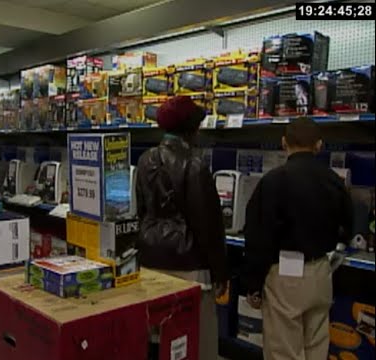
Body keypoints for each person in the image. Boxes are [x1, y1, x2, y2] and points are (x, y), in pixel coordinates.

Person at [243, 117, 353, 360]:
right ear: (319, 145)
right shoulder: (335, 180)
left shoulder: (273, 181)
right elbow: (349, 227)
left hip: (285, 275)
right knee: (316, 347)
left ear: (284, 143)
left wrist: (253, 283)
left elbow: (258, 237)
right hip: (321, 273)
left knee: (284, 351)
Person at [136, 96, 229, 360]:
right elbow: (207, 225)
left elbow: (142, 210)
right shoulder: (195, 166)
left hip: (151, 258)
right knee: (195, 340)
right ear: (192, 129)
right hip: (189, 266)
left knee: (158, 339)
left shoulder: (145, 160)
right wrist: (220, 272)